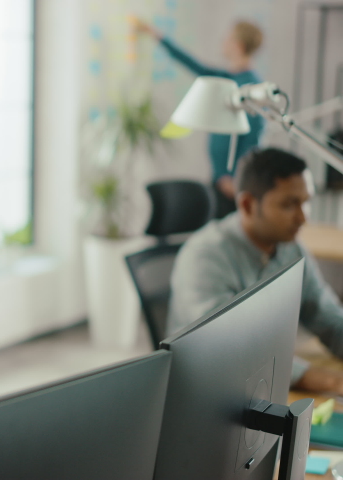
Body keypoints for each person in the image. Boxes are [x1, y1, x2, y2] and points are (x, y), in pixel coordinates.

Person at [168, 148, 343, 395]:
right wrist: (330, 381)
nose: (303, 218)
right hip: (203, 388)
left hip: (260, 382)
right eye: (289, 204)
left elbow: (328, 316)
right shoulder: (205, 254)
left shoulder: (290, 248)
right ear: (248, 204)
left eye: (306, 202)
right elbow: (226, 347)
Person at [135, 18, 266, 219]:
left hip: (231, 184)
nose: (223, 43)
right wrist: (157, 36)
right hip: (218, 178)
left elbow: (253, 137)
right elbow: (195, 65)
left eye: (227, 39)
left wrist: (233, 177)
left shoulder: (250, 86)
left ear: (238, 45)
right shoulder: (226, 78)